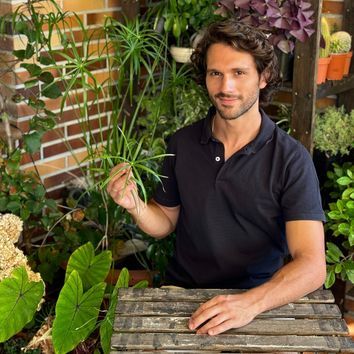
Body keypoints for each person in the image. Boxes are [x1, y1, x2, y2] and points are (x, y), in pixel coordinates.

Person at [107, 18, 326, 336]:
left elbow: (312, 265)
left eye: (239, 73)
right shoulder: (181, 143)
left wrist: (248, 304)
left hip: (259, 302)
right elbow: (165, 221)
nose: (226, 87)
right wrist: (136, 205)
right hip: (184, 297)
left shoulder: (290, 159)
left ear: (263, 77)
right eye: (215, 74)